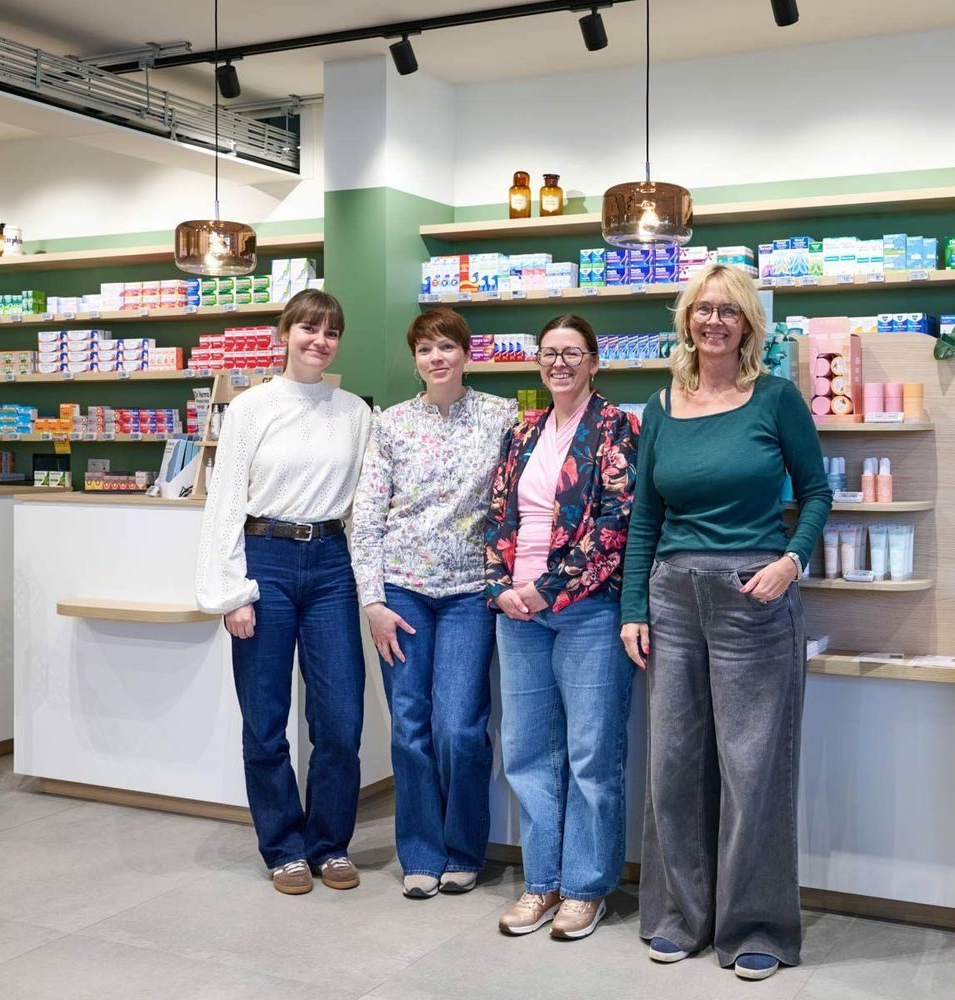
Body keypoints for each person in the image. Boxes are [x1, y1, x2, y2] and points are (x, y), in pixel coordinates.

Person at [619, 262, 832, 981]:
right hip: (673, 598)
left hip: (754, 596)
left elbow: (816, 492)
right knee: (673, 765)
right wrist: (633, 607)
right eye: (703, 308)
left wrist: (791, 561)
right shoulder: (661, 406)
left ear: (748, 325)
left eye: (729, 310)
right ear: (687, 320)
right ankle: (680, 918)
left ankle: (755, 927)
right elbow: (646, 516)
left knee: (753, 767)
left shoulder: (775, 398)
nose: (714, 321)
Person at [196, 289, 373, 897]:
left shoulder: (354, 412)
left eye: (331, 332)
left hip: (331, 563)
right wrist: (232, 591)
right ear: (283, 335)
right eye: (308, 329)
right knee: (266, 719)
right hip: (264, 560)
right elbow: (225, 501)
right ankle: (284, 849)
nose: (319, 341)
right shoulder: (250, 408)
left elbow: (362, 503)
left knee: (341, 718)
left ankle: (330, 844)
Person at [350, 308, 517, 900]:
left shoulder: (502, 416)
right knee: (410, 726)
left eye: (447, 346)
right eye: (425, 349)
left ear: (467, 354)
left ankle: (464, 849)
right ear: (415, 360)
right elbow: (366, 518)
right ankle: (421, 852)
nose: (436, 358)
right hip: (402, 593)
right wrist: (372, 601)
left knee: (459, 727)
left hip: (471, 592)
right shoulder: (391, 424)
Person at [485, 314, 639, 941]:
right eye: (549, 353)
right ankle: (541, 882)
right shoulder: (521, 432)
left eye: (573, 353)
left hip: (588, 611)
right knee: (527, 753)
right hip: (518, 614)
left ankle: (585, 888)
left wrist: (546, 589)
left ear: (594, 362)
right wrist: (500, 586)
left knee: (591, 756)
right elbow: (498, 513)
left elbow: (616, 526)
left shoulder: (617, 427)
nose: (560, 363)